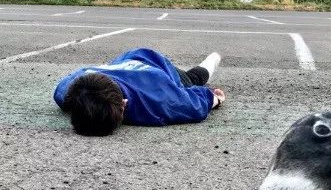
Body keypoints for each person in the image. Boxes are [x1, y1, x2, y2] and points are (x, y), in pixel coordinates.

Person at [53, 48, 225, 136]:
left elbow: (194, 105)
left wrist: (215, 98)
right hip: (128, 59)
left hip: (157, 64)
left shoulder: (161, 98)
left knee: (191, 79)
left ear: (124, 103)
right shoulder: (67, 90)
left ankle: (215, 56)